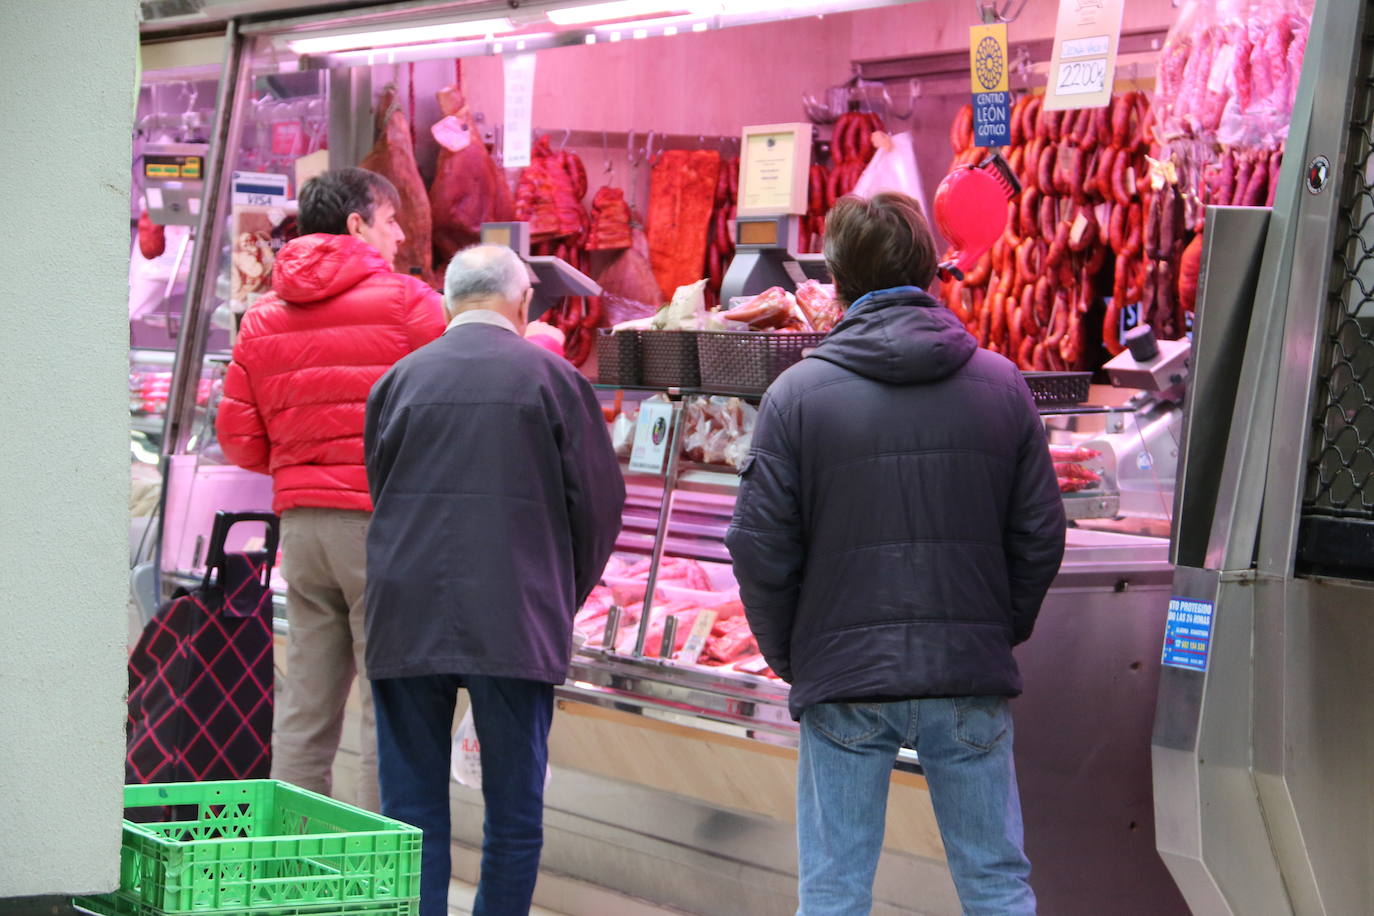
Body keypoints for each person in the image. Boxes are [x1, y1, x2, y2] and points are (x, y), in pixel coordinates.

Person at [725, 192, 1065, 915]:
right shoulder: (1003, 385)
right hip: (966, 676)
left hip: (843, 680)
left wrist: (798, 654)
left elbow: (758, 549)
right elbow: (1041, 534)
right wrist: (992, 629)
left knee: (835, 893)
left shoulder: (796, 396)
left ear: (838, 278)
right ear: (930, 269)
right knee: (997, 885)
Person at [363, 244, 625, 916]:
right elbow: (598, 508)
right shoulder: (553, 379)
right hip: (516, 612)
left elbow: (379, 485)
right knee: (513, 813)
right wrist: (559, 595)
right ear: (523, 303)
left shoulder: (397, 380)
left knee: (411, 813)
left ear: (447, 301)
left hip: (405, 609)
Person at [216, 167, 446, 812]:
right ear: (356, 225)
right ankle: (380, 882)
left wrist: (299, 461)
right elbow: (454, 409)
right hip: (383, 527)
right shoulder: (411, 304)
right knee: (389, 708)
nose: (399, 235)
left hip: (303, 530)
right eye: (391, 220)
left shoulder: (262, 317)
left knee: (304, 712)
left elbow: (237, 440)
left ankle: (289, 871)